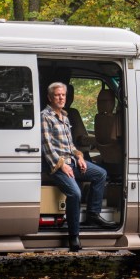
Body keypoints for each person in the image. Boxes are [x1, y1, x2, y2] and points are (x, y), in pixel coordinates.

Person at [41, 81, 111, 251]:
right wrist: (61, 165)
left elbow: (70, 145)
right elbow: (47, 147)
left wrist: (79, 156)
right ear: (50, 98)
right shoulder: (45, 116)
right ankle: (74, 236)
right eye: (57, 95)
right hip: (56, 167)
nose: (61, 98)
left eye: (63, 95)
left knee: (100, 174)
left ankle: (93, 215)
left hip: (71, 161)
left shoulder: (64, 116)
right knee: (75, 193)